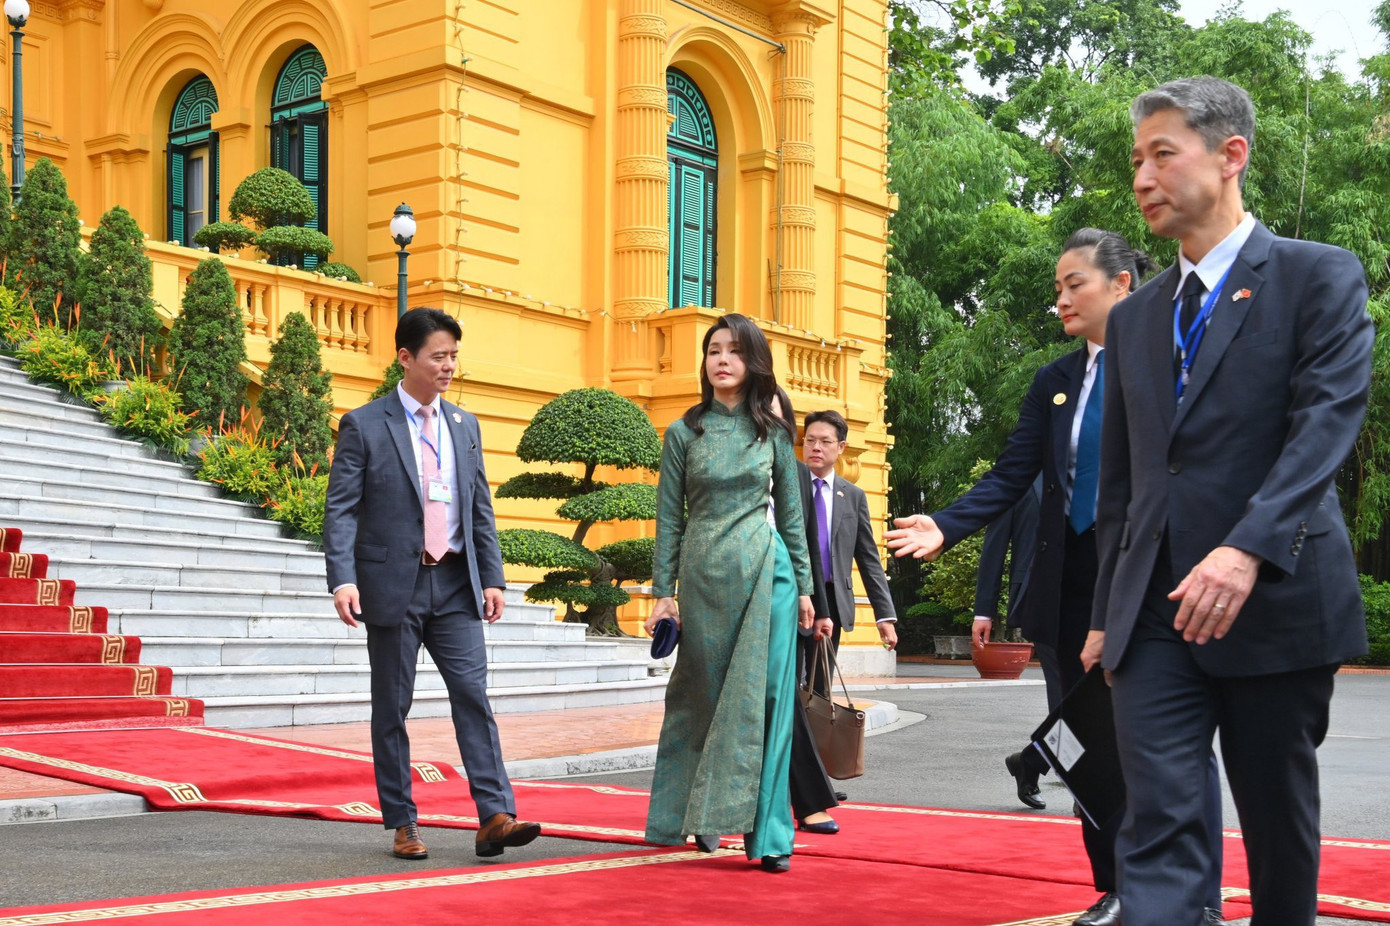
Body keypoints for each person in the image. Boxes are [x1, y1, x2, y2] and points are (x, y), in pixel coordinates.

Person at [1084, 76, 1373, 926]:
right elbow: (1123, 484)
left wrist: (1246, 546)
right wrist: (1106, 613)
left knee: (1276, 820)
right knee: (1158, 821)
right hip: (1154, 611)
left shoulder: (1317, 276)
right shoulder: (1134, 318)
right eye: (1136, 160)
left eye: (1162, 154)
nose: (1142, 178)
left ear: (1230, 155)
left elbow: (1325, 427)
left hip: (1276, 597)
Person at [885, 229, 1225, 926]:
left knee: (1173, 743)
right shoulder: (1055, 382)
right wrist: (946, 524)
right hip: (1069, 589)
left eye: (1075, 284)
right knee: (1085, 744)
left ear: (1122, 285)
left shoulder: (1174, 363)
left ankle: (1200, 897)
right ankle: (1118, 889)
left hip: (1150, 580)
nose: (1062, 300)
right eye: (1057, 289)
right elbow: (1015, 473)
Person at [323, 308, 541, 862]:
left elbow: (479, 507)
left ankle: (495, 816)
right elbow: (341, 509)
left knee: (473, 695)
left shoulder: (465, 425)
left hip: (456, 584)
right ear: (406, 357)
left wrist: (492, 577)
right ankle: (403, 822)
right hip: (392, 584)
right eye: (438, 356)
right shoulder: (364, 424)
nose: (449, 366)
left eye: (453, 356)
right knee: (392, 706)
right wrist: (342, 578)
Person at [643, 313, 816, 873]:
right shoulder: (682, 433)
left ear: (753, 362)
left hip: (768, 575)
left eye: (734, 351)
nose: (722, 359)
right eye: (714, 349)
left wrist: (806, 587)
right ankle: (700, 812)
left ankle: (770, 835)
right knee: (702, 696)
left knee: (769, 703)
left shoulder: (774, 432)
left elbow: (792, 516)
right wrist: (663, 593)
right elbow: (669, 520)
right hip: (703, 579)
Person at [771, 387, 841, 835]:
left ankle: (810, 799)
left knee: (783, 695)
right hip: (720, 588)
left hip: (780, 594)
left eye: (777, 417)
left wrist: (820, 607)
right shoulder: (709, 452)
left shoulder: (796, 473)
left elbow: (807, 545)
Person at [800, 408, 899, 687]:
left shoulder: (853, 496)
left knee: (820, 685)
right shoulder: (787, 488)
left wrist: (884, 615)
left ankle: (817, 717)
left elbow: (869, 559)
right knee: (788, 681)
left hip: (832, 598)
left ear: (841, 447)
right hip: (793, 594)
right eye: (810, 440)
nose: (816, 447)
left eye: (825, 441)